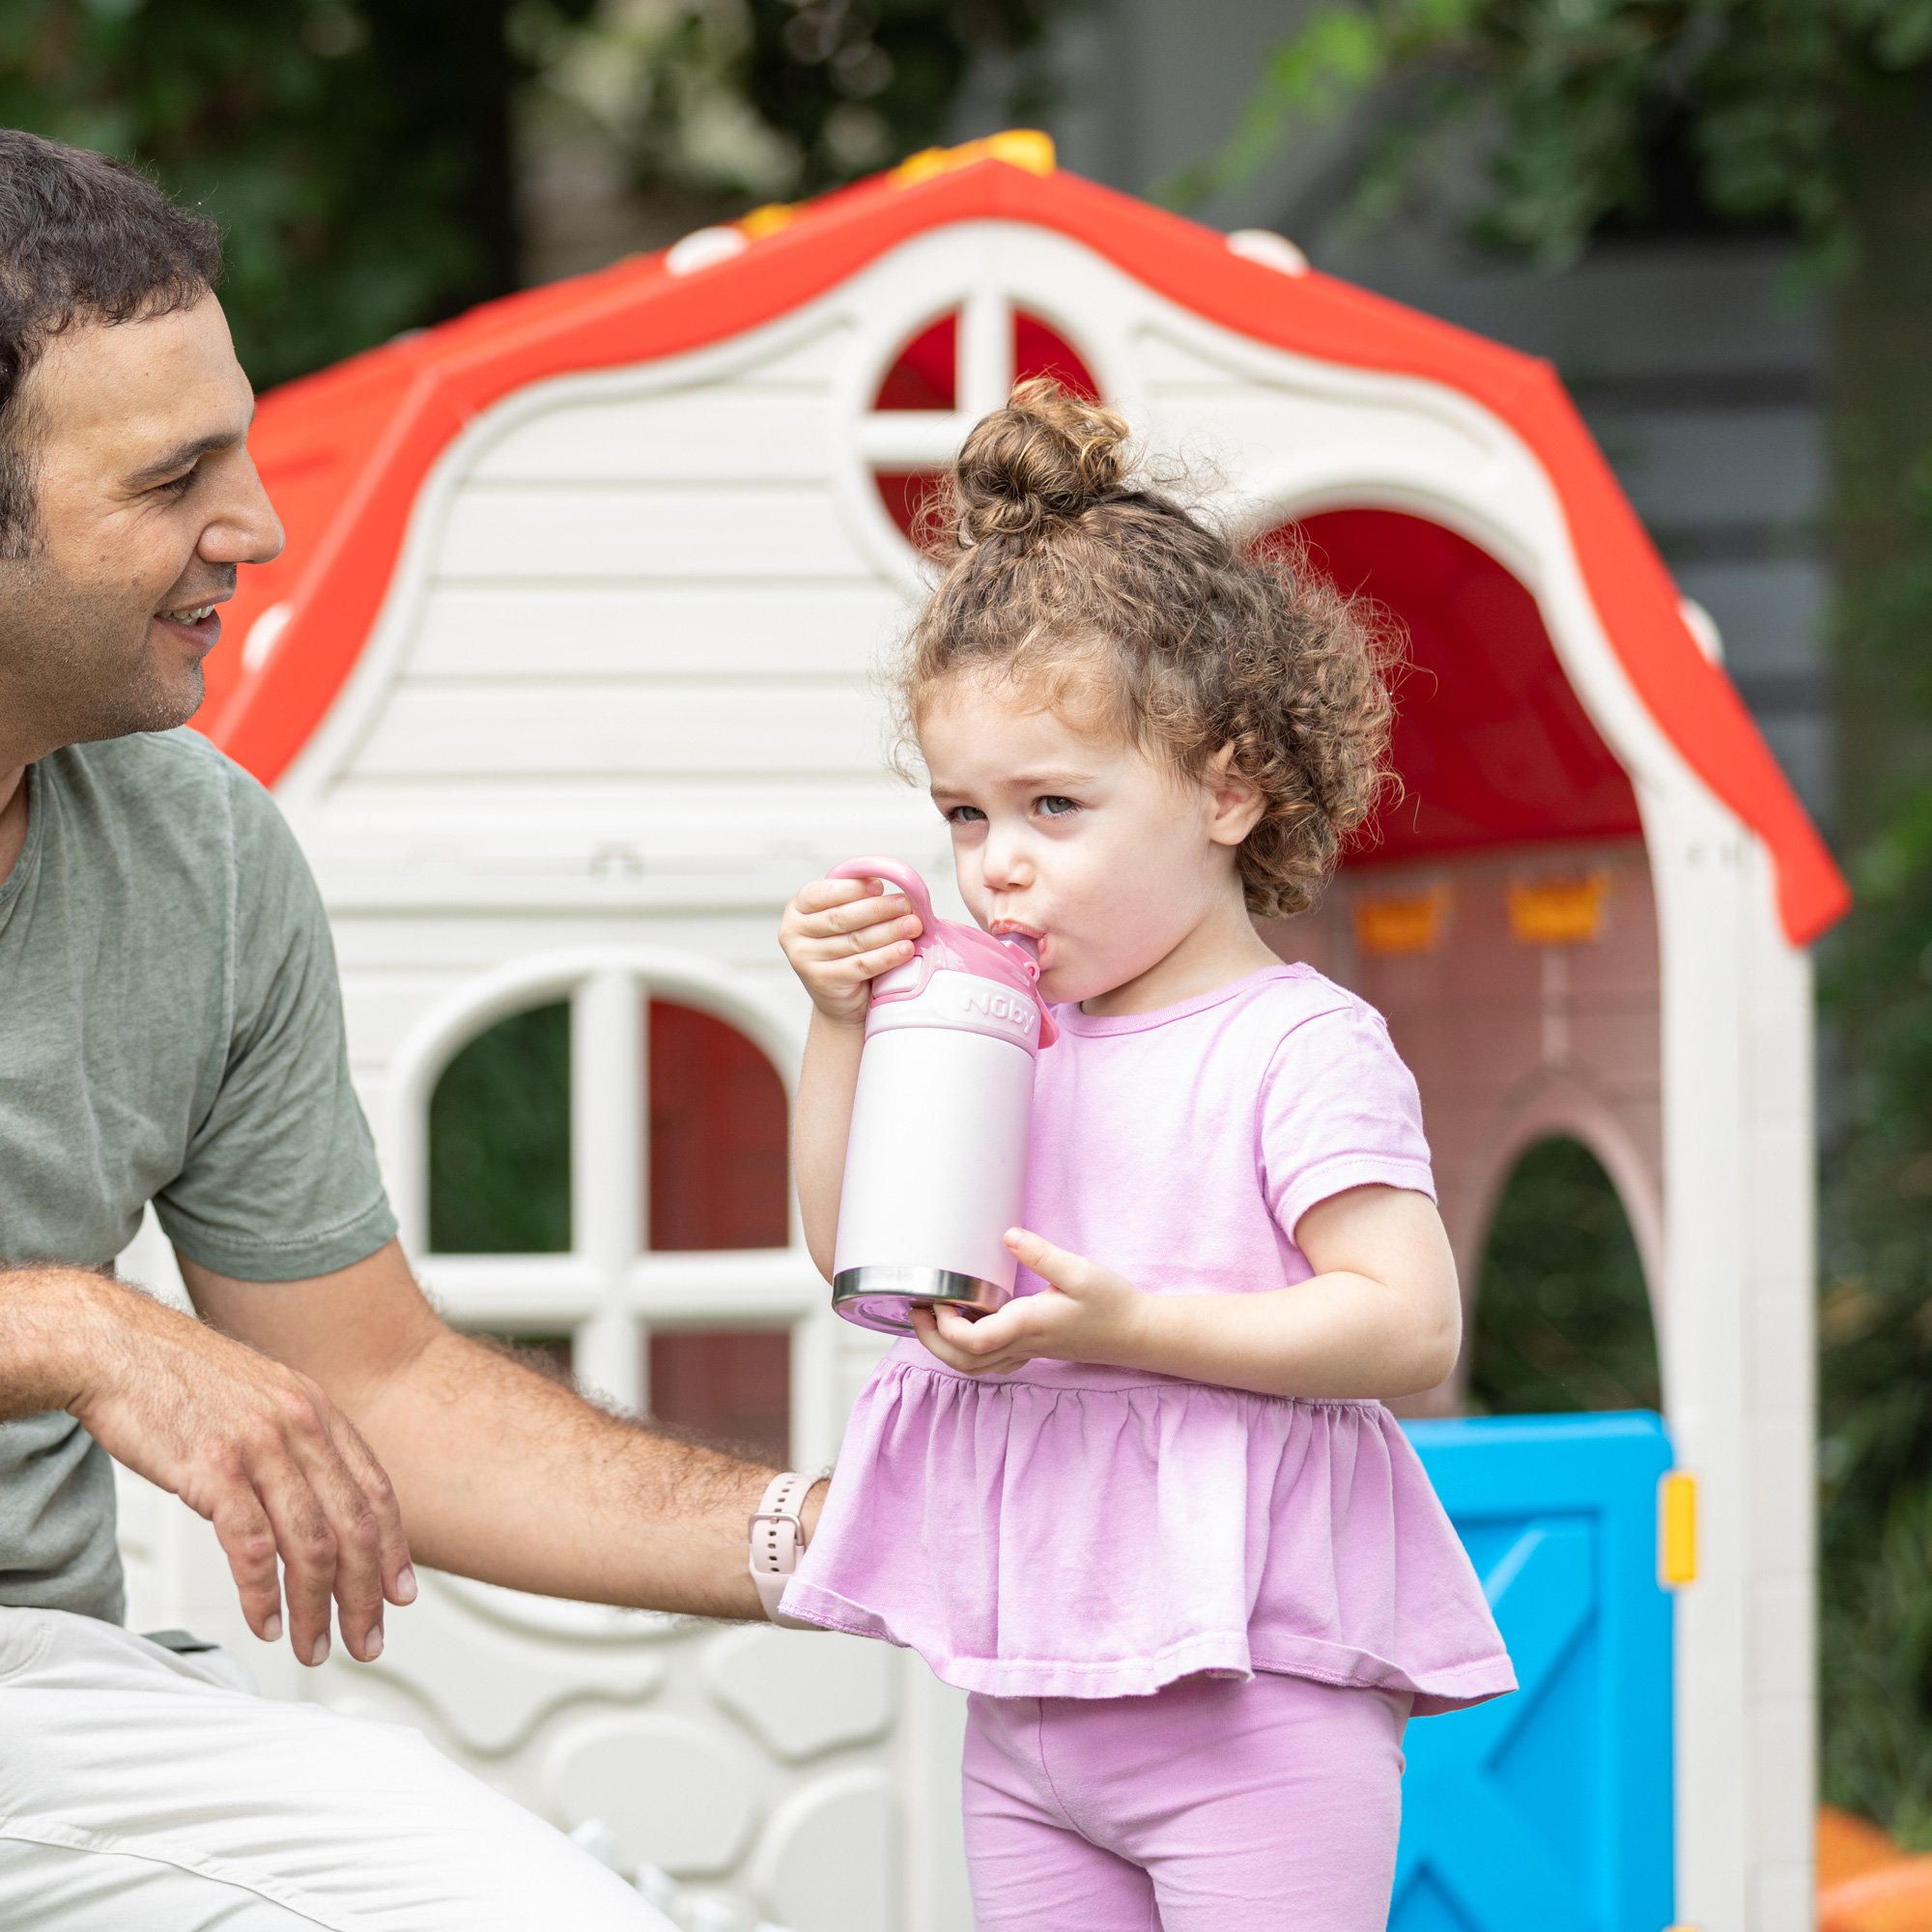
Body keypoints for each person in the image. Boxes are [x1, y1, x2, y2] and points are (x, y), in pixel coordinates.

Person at [0, 129, 821, 1930]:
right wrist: (63, 1325)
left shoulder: (194, 845)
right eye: (172, 478)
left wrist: (831, 1543)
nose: (260, 528)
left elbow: (371, 1378)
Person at [778, 381, 1517, 1929]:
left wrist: (1132, 1329)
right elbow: (856, 1254)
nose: (1002, 866)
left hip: (1255, 1697)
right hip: (1030, 1692)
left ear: (1230, 787)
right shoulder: (979, 1027)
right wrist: (840, 1022)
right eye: (967, 815)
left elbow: (1406, 1321)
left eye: (1056, 804)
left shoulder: (1292, 1046)